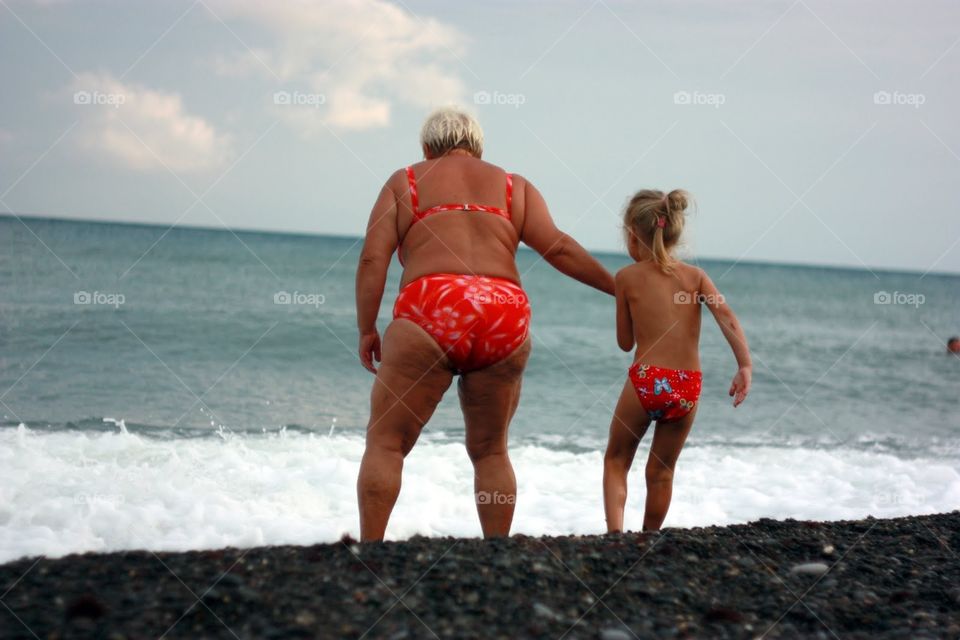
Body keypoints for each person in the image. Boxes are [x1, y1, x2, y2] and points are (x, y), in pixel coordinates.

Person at [355, 107, 614, 541]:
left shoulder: (406, 182)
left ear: (425, 148)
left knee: (387, 443)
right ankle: (497, 552)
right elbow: (560, 249)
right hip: (503, 311)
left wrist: (367, 328)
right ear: (478, 148)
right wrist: (618, 289)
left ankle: (370, 553)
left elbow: (372, 258)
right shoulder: (515, 186)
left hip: (431, 306)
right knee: (491, 449)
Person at [602, 189, 752, 533]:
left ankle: (615, 537)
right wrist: (744, 365)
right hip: (687, 385)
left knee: (617, 459)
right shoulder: (696, 277)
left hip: (646, 380)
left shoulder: (626, 277)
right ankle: (649, 538)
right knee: (662, 471)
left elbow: (625, 343)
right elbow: (726, 316)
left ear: (630, 235)